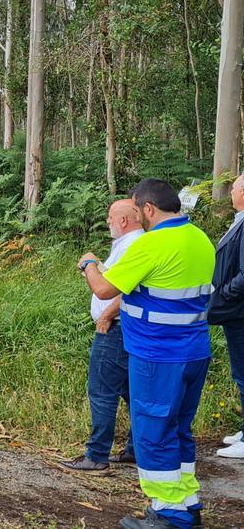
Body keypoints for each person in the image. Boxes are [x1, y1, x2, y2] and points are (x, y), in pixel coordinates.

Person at [78, 178, 215, 529]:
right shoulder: (199, 239)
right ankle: (187, 503)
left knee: (153, 431)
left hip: (157, 354)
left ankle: (169, 514)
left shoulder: (152, 245)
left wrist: (89, 264)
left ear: (148, 209)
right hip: (194, 350)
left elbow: (105, 288)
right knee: (179, 429)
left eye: (138, 210)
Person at [62, 199, 143, 473]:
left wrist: (107, 314)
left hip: (116, 327)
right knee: (132, 391)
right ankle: (136, 448)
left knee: (102, 391)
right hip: (125, 327)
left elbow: (127, 289)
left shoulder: (133, 245)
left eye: (110, 217)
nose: (107, 221)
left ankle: (96, 454)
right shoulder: (130, 244)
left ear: (123, 220)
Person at [211, 175, 244, 458]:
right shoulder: (240, 220)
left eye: (233, 188)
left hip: (239, 311)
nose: (231, 192)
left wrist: (221, 296)